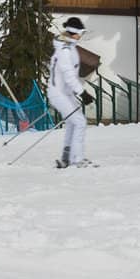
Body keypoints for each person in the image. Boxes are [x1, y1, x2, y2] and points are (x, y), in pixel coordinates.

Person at [47, 17, 94, 168]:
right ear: (74, 33)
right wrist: (82, 93)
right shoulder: (65, 50)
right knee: (80, 122)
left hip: (65, 93)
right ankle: (77, 159)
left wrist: (77, 92)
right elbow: (68, 75)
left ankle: (66, 157)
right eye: (81, 32)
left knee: (73, 122)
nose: (81, 36)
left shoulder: (68, 47)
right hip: (58, 93)